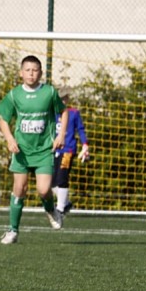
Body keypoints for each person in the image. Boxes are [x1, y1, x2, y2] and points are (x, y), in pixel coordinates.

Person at [0, 55, 68, 245]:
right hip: (21, 151)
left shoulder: (49, 92)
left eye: (35, 70)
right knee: (19, 188)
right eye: (27, 70)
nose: (31, 74)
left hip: (44, 150)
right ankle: (13, 230)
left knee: (44, 190)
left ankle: (52, 211)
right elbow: (3, 119)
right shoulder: (14, 95)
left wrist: (61, 135)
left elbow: (64, 111)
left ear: (41, 73)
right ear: (21, 73)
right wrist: (10, 139)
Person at [52, 87, 90, 215]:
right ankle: (66, 203)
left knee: (62, 177)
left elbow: (80, 129)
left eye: (64, 98)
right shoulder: (51, 113)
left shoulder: (73, 113)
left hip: (67, 149)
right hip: (54, 150)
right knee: (51, 181)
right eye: (59, 99)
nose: (62, 101)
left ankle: (60, 208)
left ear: (67, 99)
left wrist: (85, 145)